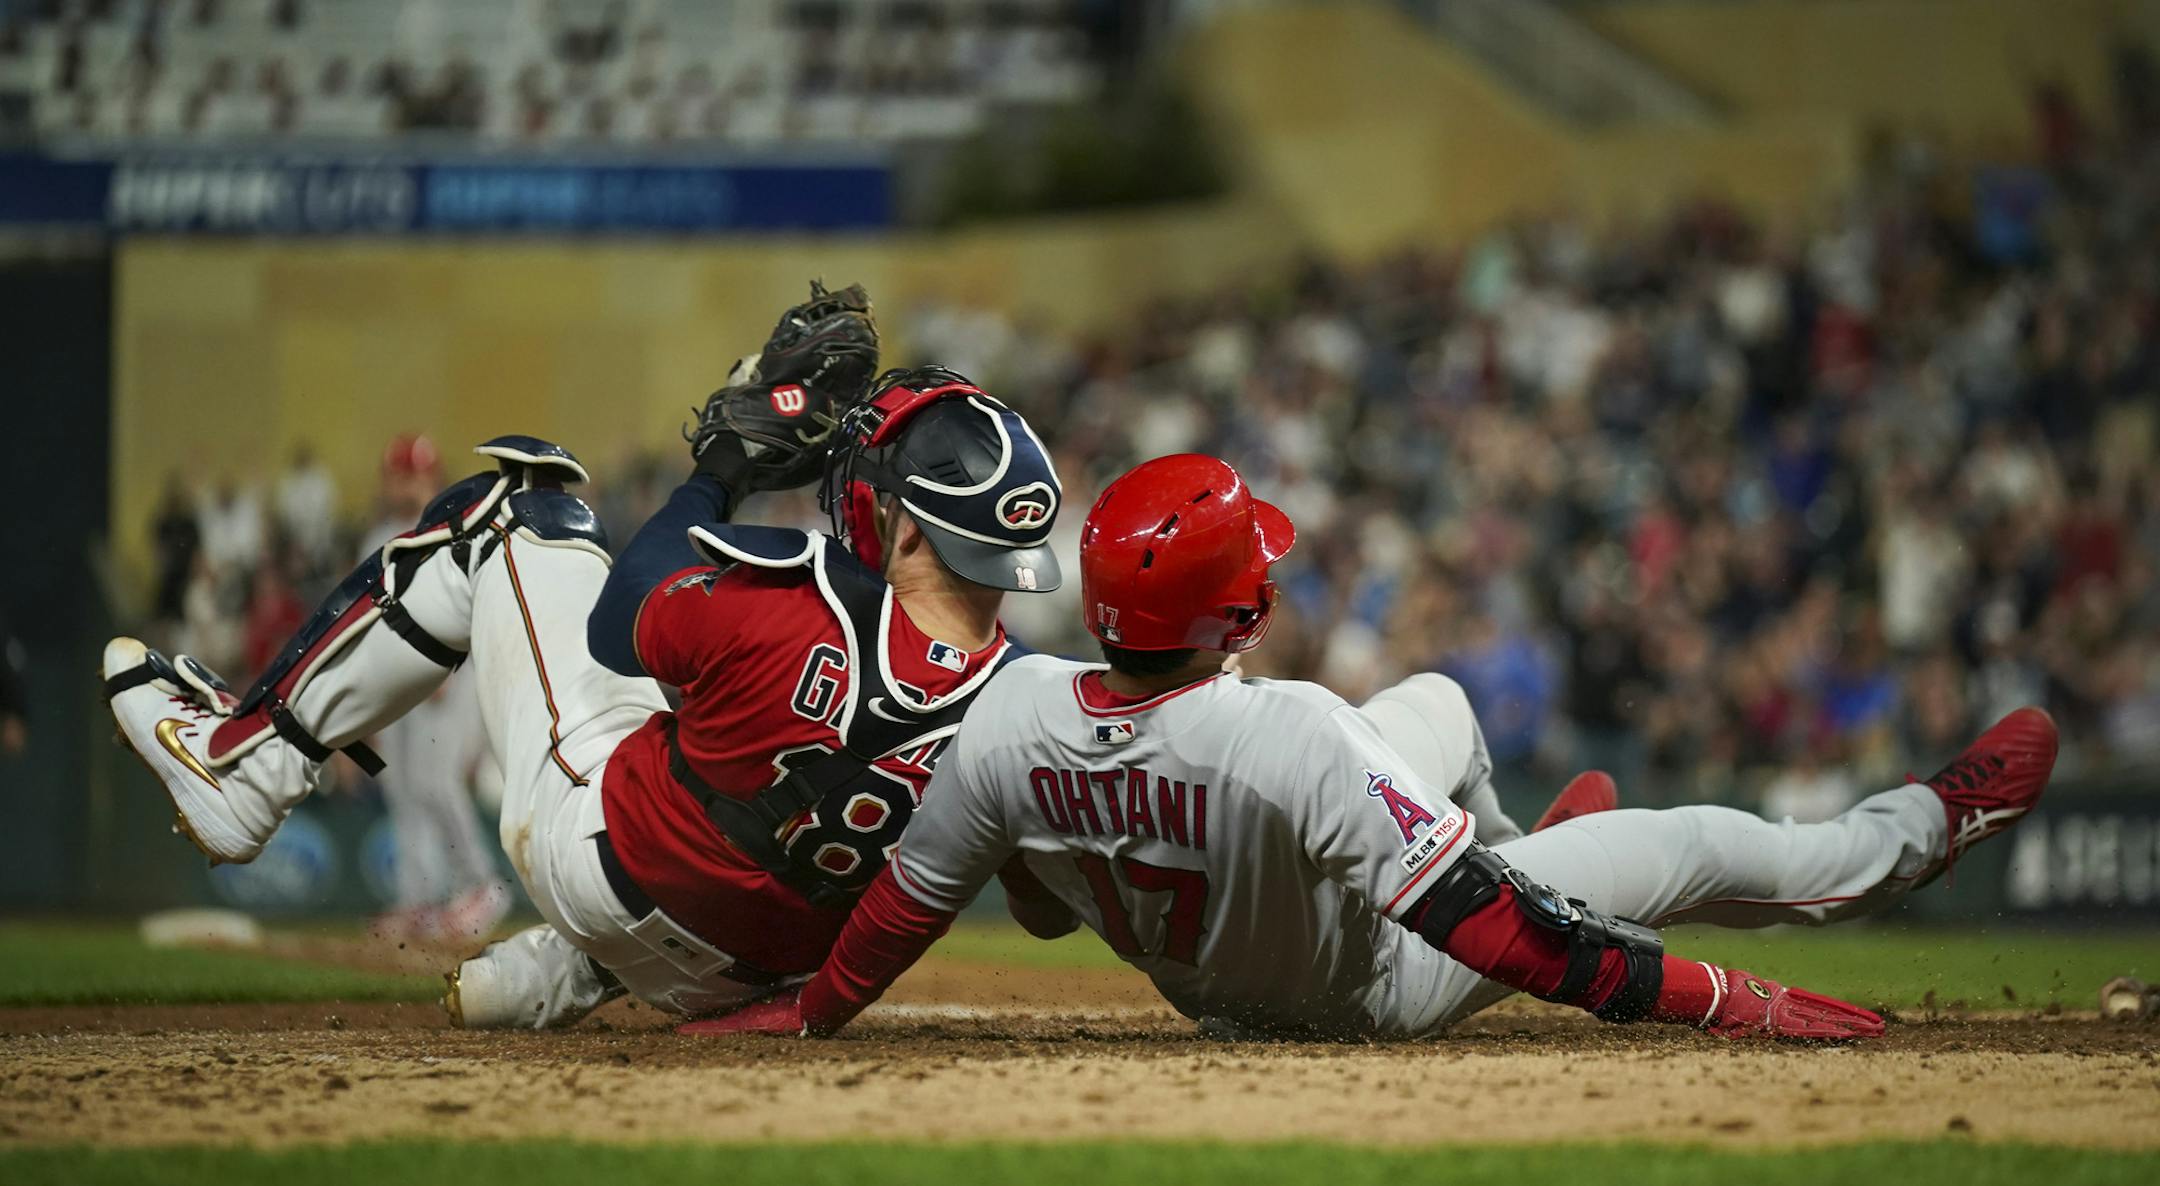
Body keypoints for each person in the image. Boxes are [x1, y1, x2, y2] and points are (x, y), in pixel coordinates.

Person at [686, 454, 2059, 1043]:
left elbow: (895, 920)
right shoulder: (1296, 735)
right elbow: (1513, 946)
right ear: (1245, 606)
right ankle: (1918, 834)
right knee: (1696, 840)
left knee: (1442, 699)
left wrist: (806, 1012)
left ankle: (1512, 833)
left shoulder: (1012, 708)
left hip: (1212, 948)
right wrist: (1721, 995)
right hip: (1366, 983)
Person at [102, 285, 1064, 1028]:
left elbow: (617, 622)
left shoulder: (807, 592)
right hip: (759, 974)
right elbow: (1046, 916)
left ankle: (248, 766)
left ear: (905, 532)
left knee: (515, 512)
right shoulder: (1029, 700)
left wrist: (719, 469)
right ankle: (560, 976)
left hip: (607, 870)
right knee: (740, 782)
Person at [355, 434, 511, 945]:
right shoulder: (376, 535)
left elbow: (467, 607)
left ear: (433, 478)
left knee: (437, 783)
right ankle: (418, 900)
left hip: (446, 674)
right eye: (400, 474)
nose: (408, 483)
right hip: (392, 680)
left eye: (417, 474)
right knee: (401, 790)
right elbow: (366, 620)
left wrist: (447, 666)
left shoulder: (451, 530)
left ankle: (483, 886)